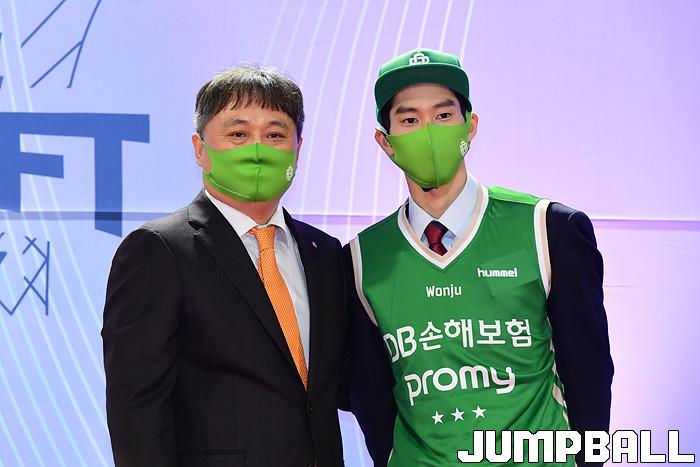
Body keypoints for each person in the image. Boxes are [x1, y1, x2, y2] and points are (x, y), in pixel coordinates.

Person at [346, 48, 614, 466]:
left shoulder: (548, 229)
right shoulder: (362, 259)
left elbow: (589, 372)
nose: (428, 131)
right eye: (409, 120)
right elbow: (370, 394)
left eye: (443, 115)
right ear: (386, 142)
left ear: (470, 126)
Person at [102, 65, 348, 467]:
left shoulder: (325, 252)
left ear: (297, 149)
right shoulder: (159, 249)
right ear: (200, 149)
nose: (258, 149)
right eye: (238, 134)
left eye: (275, 135)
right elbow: (136, 406)